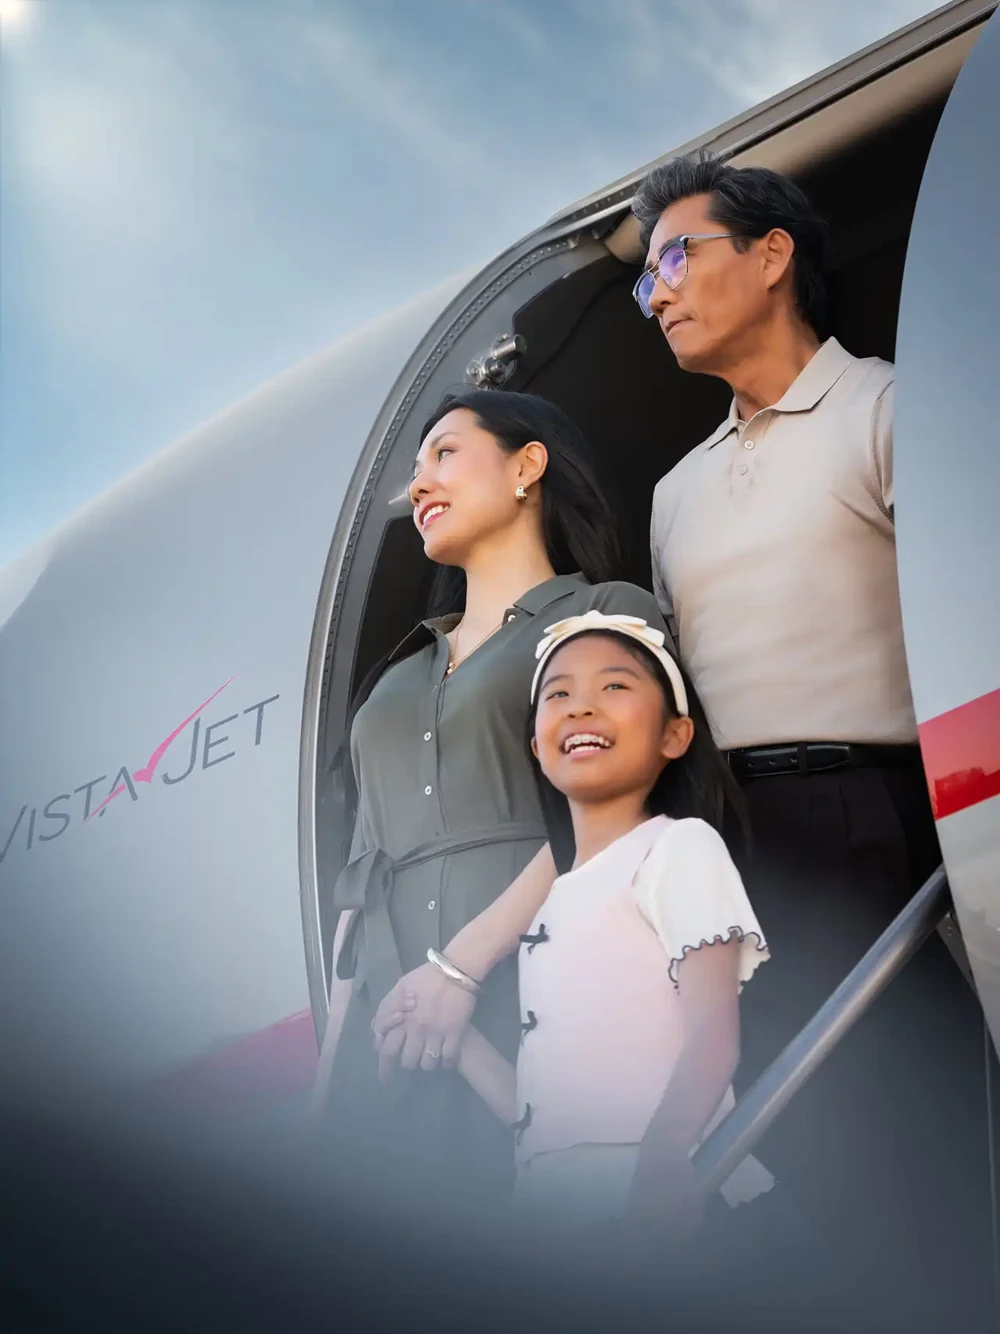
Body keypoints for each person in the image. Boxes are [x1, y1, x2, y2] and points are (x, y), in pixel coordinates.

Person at [628, 150, 992, 1326]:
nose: (658, 294)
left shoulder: (890, 405)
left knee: (930, 1134)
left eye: (676, 255)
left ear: (773, 253)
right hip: (733, 843)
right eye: (644, 282)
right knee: (822, 1160)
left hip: (883, 813)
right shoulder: (673, 490)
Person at [309, 388, 670, 1220]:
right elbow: (357, 903)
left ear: (526, 467)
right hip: (393, 1044)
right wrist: (328, 1090)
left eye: (443, 454)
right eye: (415, 469)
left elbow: (612, 811)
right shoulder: (392, 682)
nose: (419, 484)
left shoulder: (603, 613)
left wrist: (460, 970)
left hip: (544, 998)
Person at [437, 610, 774, 1240]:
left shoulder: (678, 847)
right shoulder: (551, 901)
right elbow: (546, 1125)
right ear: (537, 746)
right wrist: (456, 1044)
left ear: (675, 735)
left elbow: (714, 1036)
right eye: (557, 694)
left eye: (614, 687)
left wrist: (665, 1156)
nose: (580, 707)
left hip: (669, 1203)